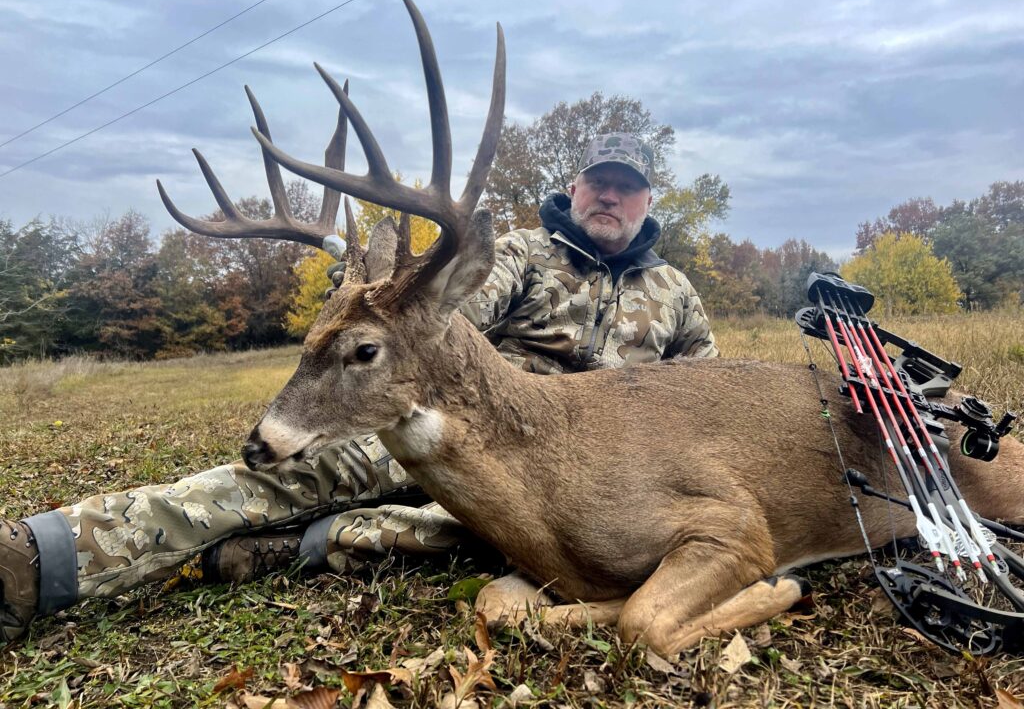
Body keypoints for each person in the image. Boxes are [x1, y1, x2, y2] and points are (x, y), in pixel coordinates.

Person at [0, 132, 718, 644]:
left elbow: (705, 390)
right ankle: (41, 557)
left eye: (628, 187)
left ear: (648, 201)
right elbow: (436, 322)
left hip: (595, 478)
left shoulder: (674, 290)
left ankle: (305, 548)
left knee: (518, 551)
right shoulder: (523, 254)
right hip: (461, 427)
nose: (611, 197)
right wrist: (383, 295)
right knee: (274, 479)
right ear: (576, 188)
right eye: (601, 183)